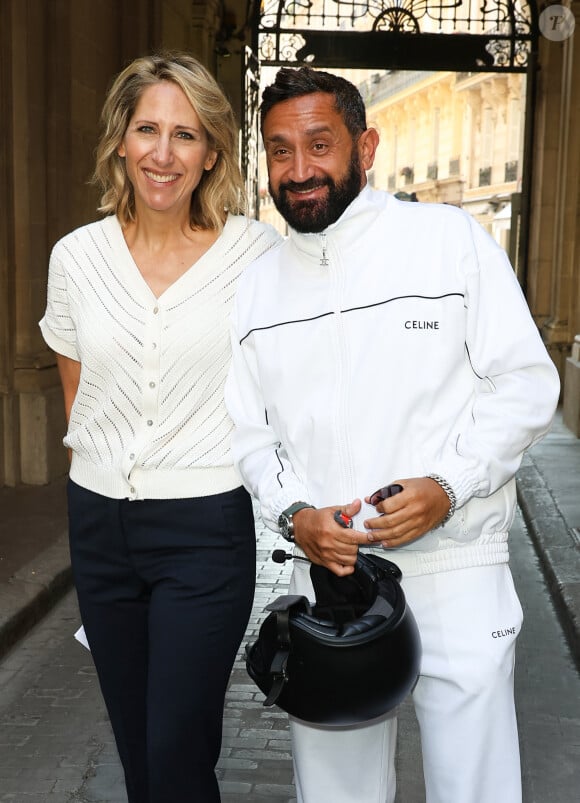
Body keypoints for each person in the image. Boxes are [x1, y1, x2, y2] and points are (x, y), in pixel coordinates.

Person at [225, 66, 560, 803]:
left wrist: (449, 486)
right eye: (280, 150)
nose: (300, 169)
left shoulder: (450, 242)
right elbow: (249, 431)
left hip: (458, 566)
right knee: (336, 794)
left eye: (320, 144)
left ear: (365, 146)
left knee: (477, 790)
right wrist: (295, 515)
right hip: (329, 581)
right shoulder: (256, 287)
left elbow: (527, 383)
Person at [39, 52, 280, 803]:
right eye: (148, 129)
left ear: (212, 151)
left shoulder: (256, 254)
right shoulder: (77, 258)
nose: (164, 153)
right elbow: (82, 403)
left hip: (206, 527)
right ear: (120, 140)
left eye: (187, 134)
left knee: (178, 751)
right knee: (140, 752)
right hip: (100, 524)